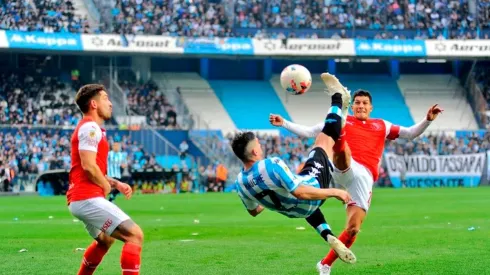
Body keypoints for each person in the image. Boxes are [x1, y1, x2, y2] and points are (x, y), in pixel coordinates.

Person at [269, 73, 443, 274]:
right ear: (352, 106)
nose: (360, 106)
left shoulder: (382, 125)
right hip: (338, 166)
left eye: (364, 103)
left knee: (352, 229)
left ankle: (325, 265)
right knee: (340, 154)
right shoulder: (342, 121)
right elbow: (309, 132)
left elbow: (410, 133)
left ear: (371, 108)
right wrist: (284, 123)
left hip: (363, 176)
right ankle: (277, 189)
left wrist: (427, 120)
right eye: (357, 103)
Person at [231, 90, 357, 272]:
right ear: (254, 153)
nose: (260, 145)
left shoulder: (240, 183)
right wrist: (336, 192)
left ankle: (327, 234)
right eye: (258, 143)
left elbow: (254, 211)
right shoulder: (271, 164)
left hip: (296, 212)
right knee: (325, 139)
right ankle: (337, 97)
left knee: (296, 197)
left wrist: (273, 195)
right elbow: (301, 192)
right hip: (312, 190)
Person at [67, 84, 144, 275]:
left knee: (105, 240)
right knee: (135, 235)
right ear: (93, 104)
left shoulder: (90, 128)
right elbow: (88, 166)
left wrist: (114, 183)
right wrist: (104, 185)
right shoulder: (90, 127)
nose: (110, 103)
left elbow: (90, 168)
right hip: (86, 198)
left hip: (81, 198)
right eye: (105, 98)